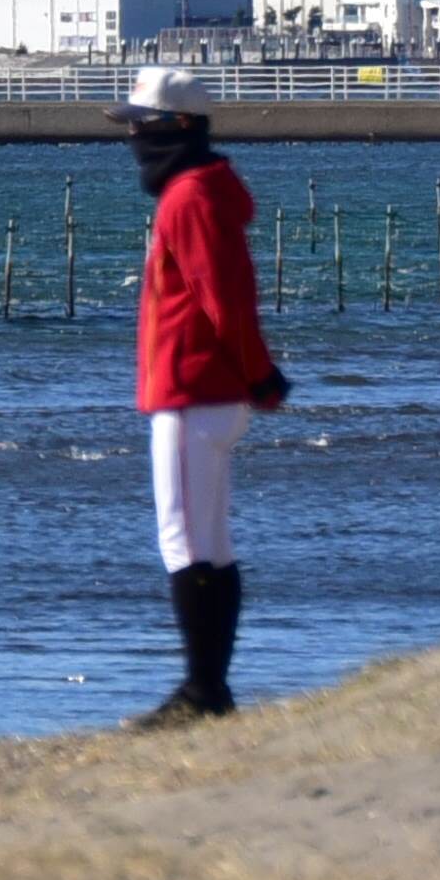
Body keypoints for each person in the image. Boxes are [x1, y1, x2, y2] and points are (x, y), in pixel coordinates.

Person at [119, 65, 285, 720]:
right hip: (202, 389)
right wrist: (256, 375)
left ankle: (202, 689)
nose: (132, 139)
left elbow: (225, 301)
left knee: (183, 542)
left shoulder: (189, 197)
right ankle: (209, 688)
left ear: (176, 127)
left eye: (140, 126)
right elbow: (229, 300)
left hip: (193, 389)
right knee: (210, 543)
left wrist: (259, 374)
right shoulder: (198, 192)